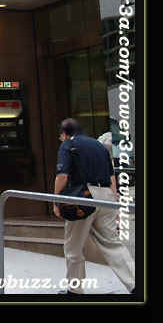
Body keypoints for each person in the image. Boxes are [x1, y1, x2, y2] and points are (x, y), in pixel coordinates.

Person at [54, 118, 135, 295]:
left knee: (73, 247)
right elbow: (112, 177)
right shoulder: (99, 146)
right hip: (106, 196)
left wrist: (56, 202)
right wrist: (114, 203)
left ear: (65, 133)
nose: (61, 139)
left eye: (60, 136)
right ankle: (136, 284)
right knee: (113, 244)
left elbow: (62, 176)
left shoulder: (68, 145)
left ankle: (75, 290)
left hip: (83, 197)